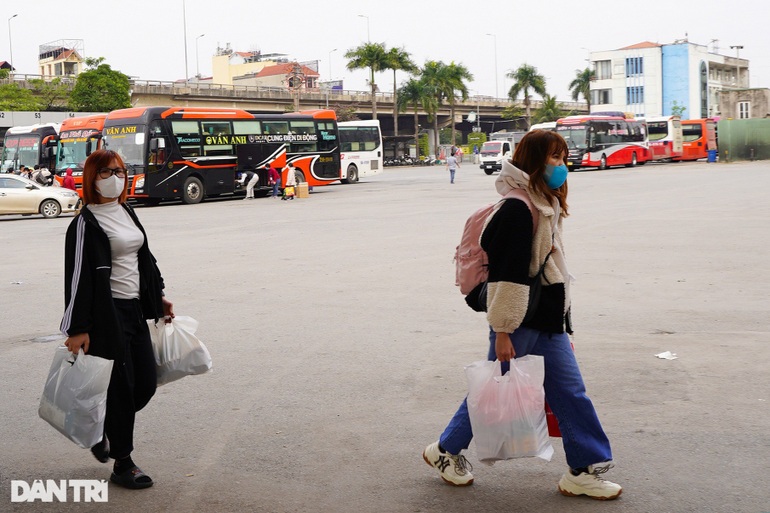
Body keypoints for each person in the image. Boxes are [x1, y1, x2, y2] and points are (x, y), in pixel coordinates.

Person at [423, 130, 622, 500]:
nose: (563, 167)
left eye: (563, 158)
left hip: (547, 321)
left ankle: (583, 469)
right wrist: (502, 331)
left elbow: (550, 268)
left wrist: (563, 320)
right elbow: (508, 276)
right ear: (534, 162)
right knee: (492, 392)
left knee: (572, 393)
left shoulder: (542, 202)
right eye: (555, 159)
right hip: (519, 320)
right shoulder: (518, 209)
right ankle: (445, 451)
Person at [60, 149, 174, 490]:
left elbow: (144, 259)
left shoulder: (126, 210)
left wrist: (159, 296)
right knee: (123, 388)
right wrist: (77, 328)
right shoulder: (85, 223)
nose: (115, 178)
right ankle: (123, 463)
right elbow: (77, 276)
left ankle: (104, 429)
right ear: (92, 178)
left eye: (120, 171)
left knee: (146, 384)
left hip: (135, 309)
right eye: (106, 172)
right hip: (106, 315)